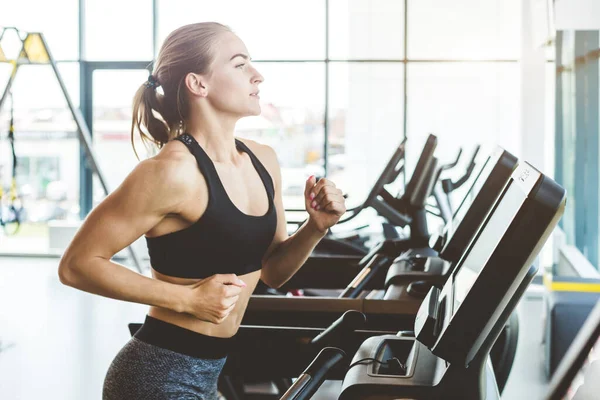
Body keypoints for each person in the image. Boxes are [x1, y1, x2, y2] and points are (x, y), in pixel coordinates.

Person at [57, 22, 346, 400]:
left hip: (210, 373)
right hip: (155, 376)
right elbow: (77, 264)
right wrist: (187, 299)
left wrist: (316, 227)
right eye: (240, 65)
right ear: (198, 84)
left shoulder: (263, 160)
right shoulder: (171, 171)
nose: (257, 75)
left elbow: (273, 272)